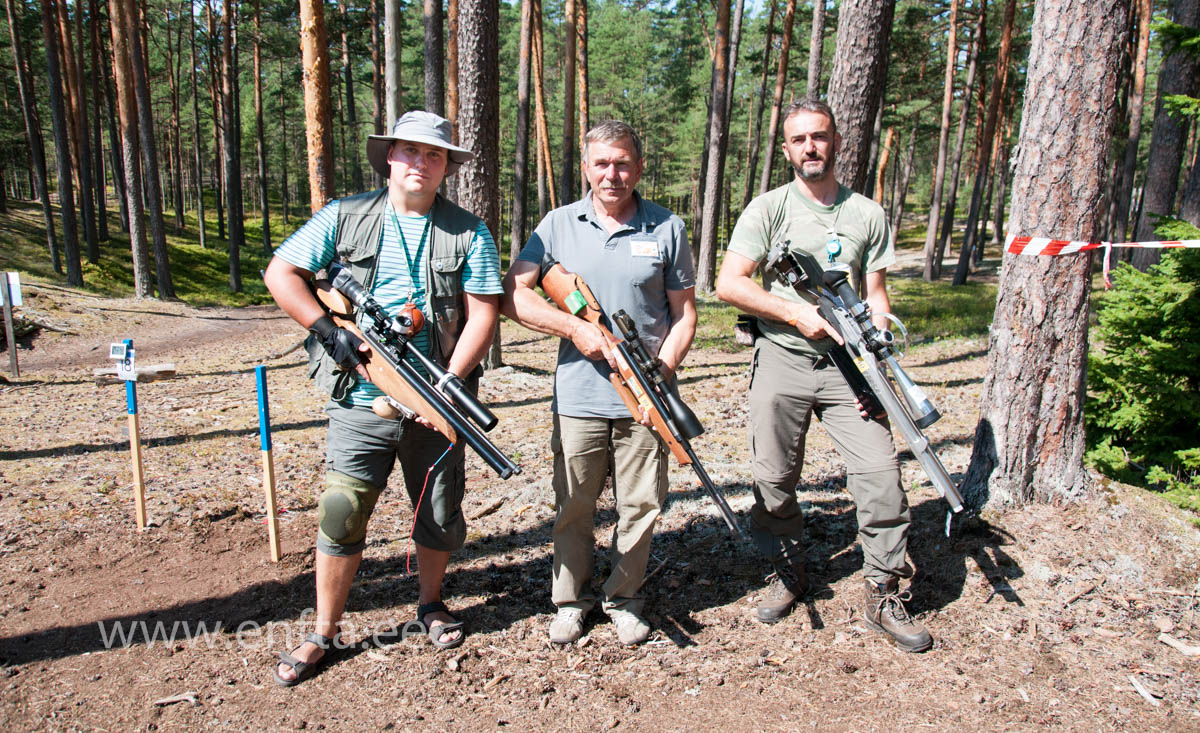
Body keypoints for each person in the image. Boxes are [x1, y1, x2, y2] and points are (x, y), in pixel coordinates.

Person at [264, 110, 502, 685]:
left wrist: (451, 378)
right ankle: (324, 630)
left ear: (446, 167)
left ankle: (430, 604)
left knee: (441, 516)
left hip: (437, 396)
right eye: (411, 152)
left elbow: (484, 311)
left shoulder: (470, 231)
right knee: (341, 512)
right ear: (389, 158)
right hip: (357, 399)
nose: (422, 163)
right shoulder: (344, 218)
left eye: (435, 155)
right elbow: (281, 273)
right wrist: (328, 331)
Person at [714, 98, 932, 653]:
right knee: (772, 477)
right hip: (783, 360)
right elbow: (730, 283)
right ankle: (789, 571)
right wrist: (794, 313)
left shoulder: (868, 214)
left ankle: (884, 590)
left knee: (882, 476)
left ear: (836, 141)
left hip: (848, 370)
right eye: (799, 140)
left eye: (819, 136)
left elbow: (876, 294)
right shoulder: (768, 209)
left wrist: (876, 363)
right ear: (786, 149)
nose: (810, 147)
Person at [502, 120, 697, 646]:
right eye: (602, 164)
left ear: (640, 166)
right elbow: (515, 295)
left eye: (624, 163)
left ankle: (624, 598)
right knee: (574, 506)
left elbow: (685, 315)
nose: (613, 174)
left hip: (646, 396)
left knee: (641, 504)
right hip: (579, 395)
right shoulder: (557, 226)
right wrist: (574, 328)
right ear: (586, 168)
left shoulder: (666, 227)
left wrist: (665, 366)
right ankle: (570, 601)